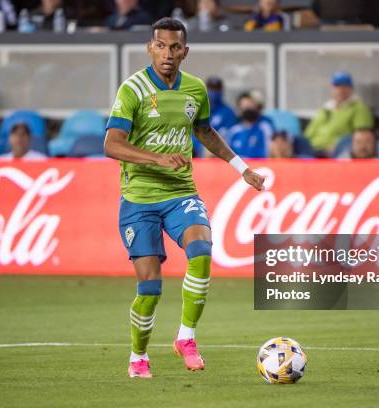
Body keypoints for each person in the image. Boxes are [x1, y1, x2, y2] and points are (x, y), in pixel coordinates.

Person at [104, 17, 264, 378]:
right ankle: (138, 356)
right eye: (160, 46)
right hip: (139, 199)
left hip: (180, 194)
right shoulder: (132, 90)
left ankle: (186, 338)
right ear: (150, 48)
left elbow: (205, 131)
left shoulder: (194, 89)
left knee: (203, 250)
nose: (167, 54)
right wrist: (157, 157)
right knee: (150, 288)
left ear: (185, 52)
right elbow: (111, 144)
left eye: (175, 47)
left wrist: (241, 168)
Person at [305, 71, 374, 155]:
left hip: (336, 153)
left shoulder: (359, 108)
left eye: (344, 86)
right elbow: (308, 133)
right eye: (337, 86)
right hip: (311, 151)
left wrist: (338, 148)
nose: (340, 90)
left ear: (351, 89)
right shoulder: (325, 109)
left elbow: (362, 136)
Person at [227, 92, 275, 158]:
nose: (248, 110)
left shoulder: (264, 127)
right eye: (245, 107)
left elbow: (271, 150)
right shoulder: (234, 131)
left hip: (260, 165)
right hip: (238, 166)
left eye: (250, 106)